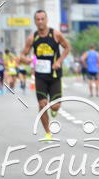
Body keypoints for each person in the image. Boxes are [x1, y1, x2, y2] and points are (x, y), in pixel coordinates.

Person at [21, 11, 71, 141]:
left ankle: (54, 109)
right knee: (42, 104)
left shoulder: (55, 34)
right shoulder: (32, 38)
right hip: (40, 76)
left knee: (55, 106)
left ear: (47, 20)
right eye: (38, 19)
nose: (40, 21)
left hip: (54, 75)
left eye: (42, 19)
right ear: (35, 21)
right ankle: (48, 132)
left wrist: (59, 62)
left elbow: (67, 48)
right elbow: (22, 55)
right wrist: (26, 59)